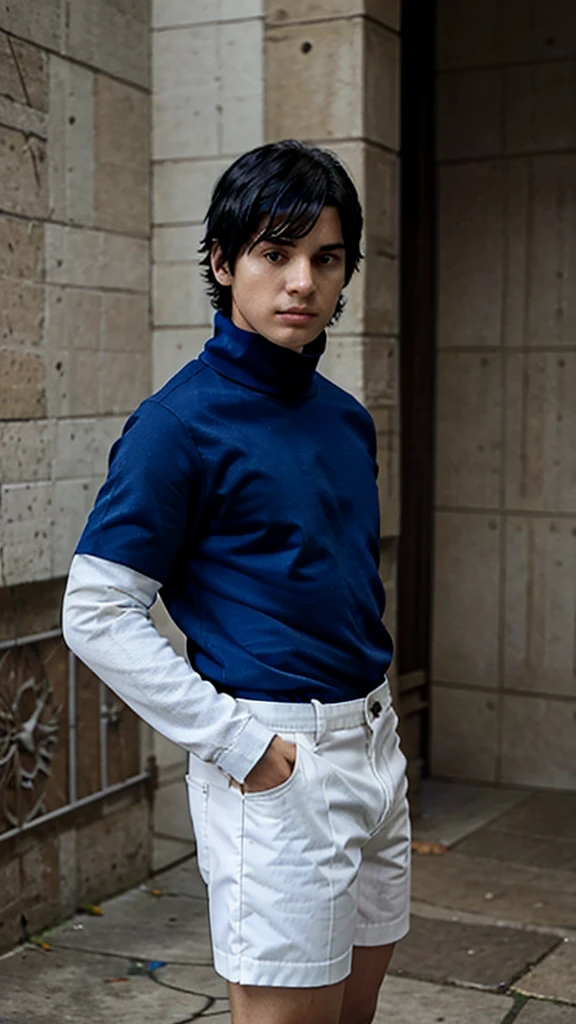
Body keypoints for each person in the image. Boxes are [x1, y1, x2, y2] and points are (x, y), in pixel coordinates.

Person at [62, 140, 411, 1024]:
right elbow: (96, 613)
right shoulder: (176, 425)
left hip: (374, 745)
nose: (302, 281)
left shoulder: (345, 420)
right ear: (223, 263)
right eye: (274, 253)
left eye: (325, 258)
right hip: (277, 761)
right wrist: (241, 747)